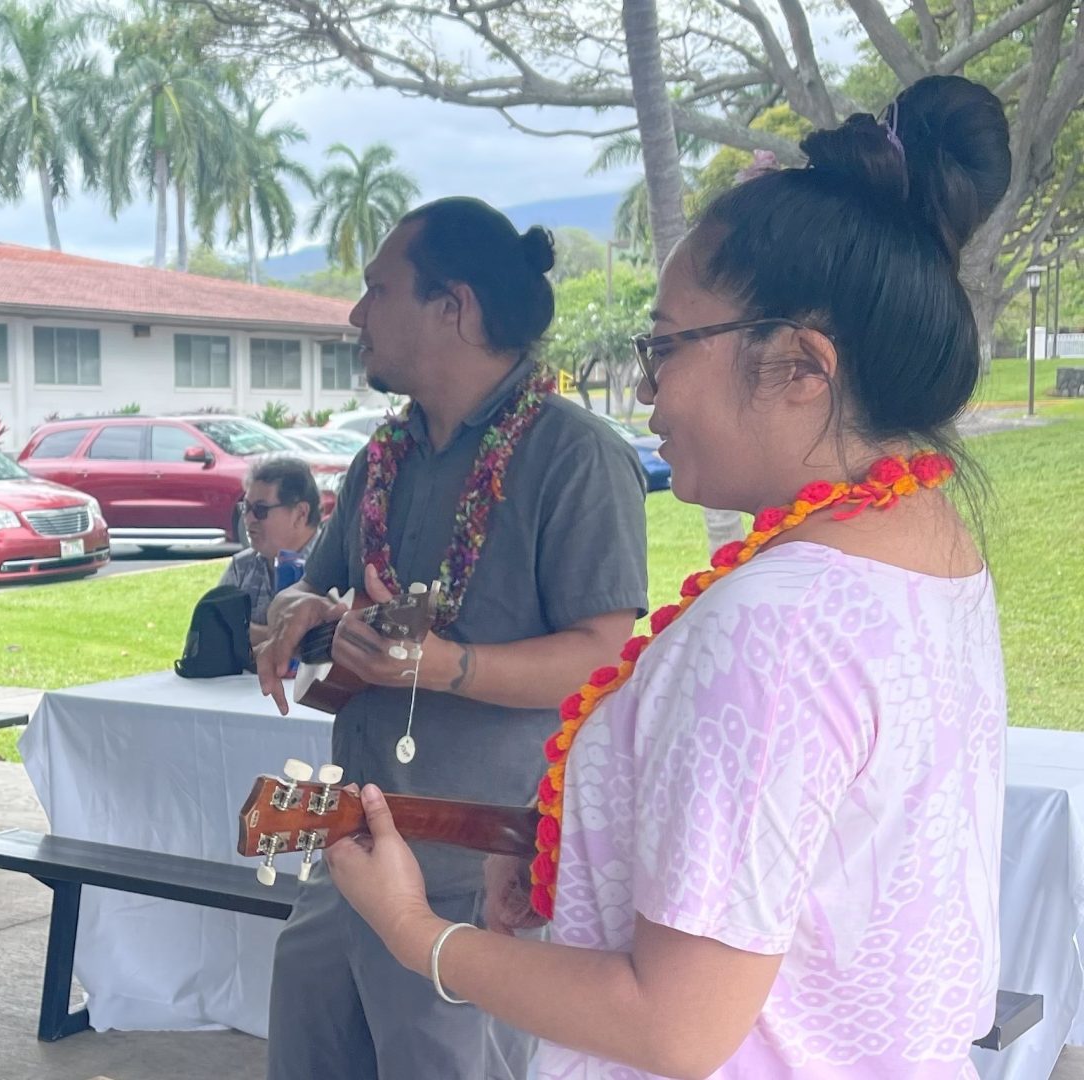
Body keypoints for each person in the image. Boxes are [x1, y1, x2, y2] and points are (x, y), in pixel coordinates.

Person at [324, 75, 1012, 1078]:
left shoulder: (772, 625)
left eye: (665, 348)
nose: (647, 395)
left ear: (801, 367)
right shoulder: (929, 551)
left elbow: (673, 1027)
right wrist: (574, 848)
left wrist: (413, 930)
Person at [256, 199, 649, 1079]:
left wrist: (449, 667)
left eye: (377, 290)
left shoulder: (573, 455)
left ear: (454, 307)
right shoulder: (382, 458)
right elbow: (322, 584)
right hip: (352, 846)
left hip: (481, 870)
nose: (355, 314)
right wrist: (298, 610)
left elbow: (603, 656)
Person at [218, 456, 324, 656]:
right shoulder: (242, 567)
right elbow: (215, 634)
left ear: (300, 514)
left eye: (260, 509)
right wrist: (289, 638)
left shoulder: (332, 565)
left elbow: (328, 645)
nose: (248, 519)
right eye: (246, 508)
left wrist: (248, 633)